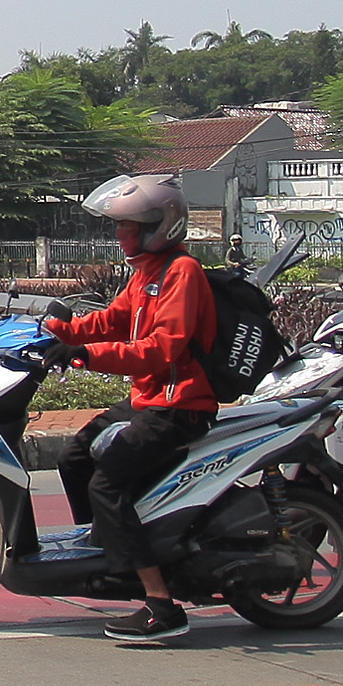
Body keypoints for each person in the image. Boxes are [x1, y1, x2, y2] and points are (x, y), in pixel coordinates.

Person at [43, 172, 226, 646]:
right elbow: (113, 319)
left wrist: (86, 355)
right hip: (149, 399)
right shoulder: (147, 270)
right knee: (75, 457)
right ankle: (111, 556)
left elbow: (160, 350)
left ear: (159, 226)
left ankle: (161, 605)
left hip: (180, 405)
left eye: (129, 226)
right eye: (118, 226)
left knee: (108, 483)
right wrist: (59, 331)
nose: (120, 235)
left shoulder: (182, 273)